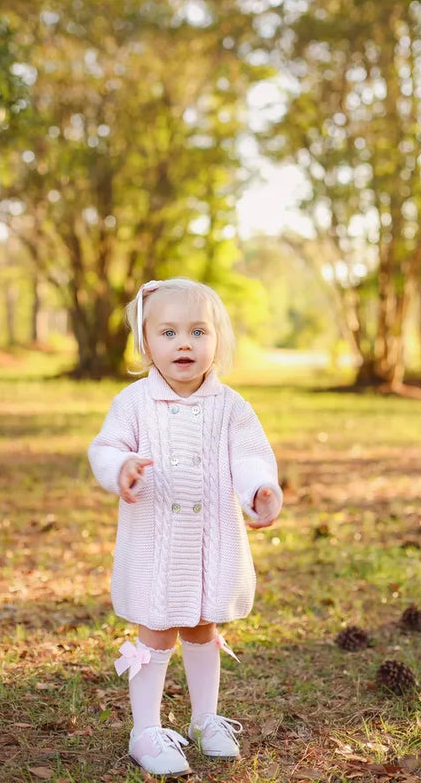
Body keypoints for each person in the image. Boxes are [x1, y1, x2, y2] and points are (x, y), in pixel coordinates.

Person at [88, 277, 282, 776]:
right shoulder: (134, 402)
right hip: (154, 544)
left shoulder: (232, 407)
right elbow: (105, 447)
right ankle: (145, 730)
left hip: (208, 546)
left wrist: (260, 489)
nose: (184, 344)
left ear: (217, 340)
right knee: (155, 627)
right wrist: (121, 466)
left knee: (202, 623)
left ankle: (205, 719)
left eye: (198, 332)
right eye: (169, 333)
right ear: (147, 341)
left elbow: (251, 456)